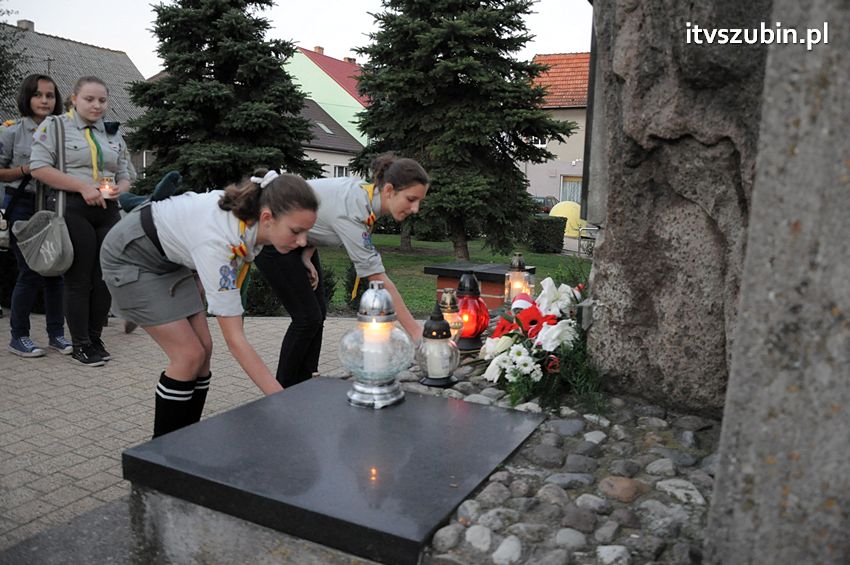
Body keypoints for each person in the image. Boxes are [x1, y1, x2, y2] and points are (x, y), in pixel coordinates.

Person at [100, 170, 318, 437]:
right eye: (296, 231)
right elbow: (236, 340)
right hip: (130, 256)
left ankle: (188, 440)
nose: (303, 241)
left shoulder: (247, 224)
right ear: (267, 218)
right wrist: (283, 403)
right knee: (188, 355)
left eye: (307, 232)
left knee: (204, 350)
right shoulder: (220, 240)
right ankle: (161, 457)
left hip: (166, 257)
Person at [254, 153, 429, 388]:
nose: (415, 208)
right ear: (389, 190)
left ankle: (305, 381)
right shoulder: (354, 209)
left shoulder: (363, 197)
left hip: (301, 242)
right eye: (411, 199)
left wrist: (306, 254)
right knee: (307, 318)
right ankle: (284, 389)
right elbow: (379, 280)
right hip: (273, 239)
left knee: (318, 314)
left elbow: (320, 215)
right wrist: (416, 333)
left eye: (419, 201)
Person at [30, 76, 131, 367]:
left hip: (108, 210)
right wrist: (82, 187)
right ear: (74, 99)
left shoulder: (112, 132)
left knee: (104, 279)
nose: (97, 105)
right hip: (71, 207)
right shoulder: (56, 126)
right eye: (89, 99)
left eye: (102, 100)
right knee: (79, 279)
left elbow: (127, 175)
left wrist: (116, 190)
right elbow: (38, 168)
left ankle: (95, 338)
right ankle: (81, 344)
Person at [0, 74, 72, 358]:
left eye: (50, 95)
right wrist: (27, 170)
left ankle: (57, 334)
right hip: (23, 204)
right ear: (27, 97)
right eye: (38, 95)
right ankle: (19, 337)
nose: (45, 100)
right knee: (29, 272)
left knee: (56, 272)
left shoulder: (63, 130)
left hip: (55, 204)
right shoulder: (12, 132)